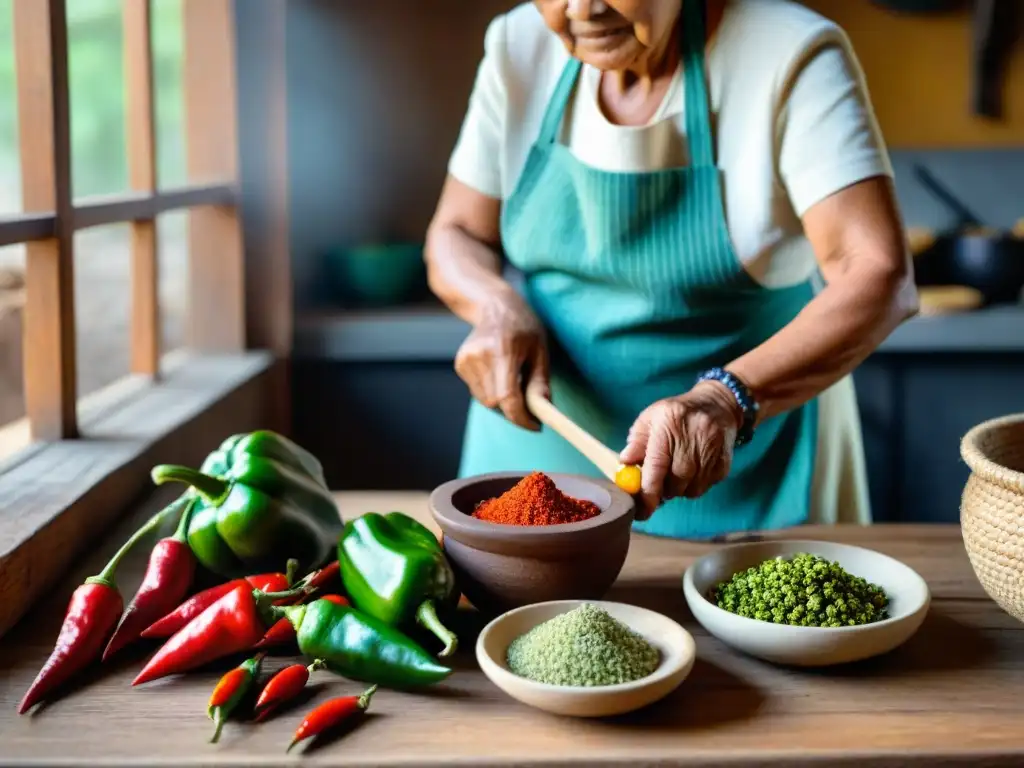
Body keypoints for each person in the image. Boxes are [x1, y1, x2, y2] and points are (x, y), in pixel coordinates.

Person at [424, 0, 918, 538]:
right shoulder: (517, 44)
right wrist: (495, 306)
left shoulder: (790, 53)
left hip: (739, 467)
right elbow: (457, 232)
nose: (583, 9)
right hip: (536, 458)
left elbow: (877, 272)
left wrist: (723, 400)